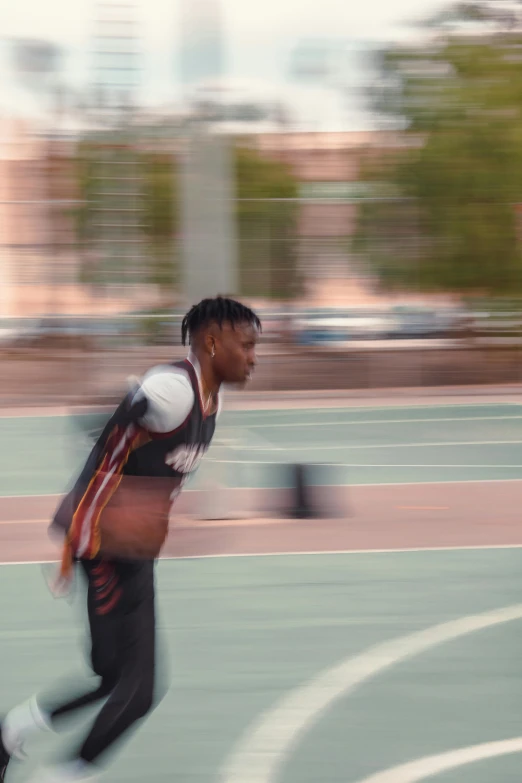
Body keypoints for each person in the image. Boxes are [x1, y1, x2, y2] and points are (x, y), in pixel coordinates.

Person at [0, 296, 260, 783]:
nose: (253, 357)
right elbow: (98, 434)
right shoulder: (170, 392)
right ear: (211, 342)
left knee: (114, 680)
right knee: (134, 690)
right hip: (101, 547)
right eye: (245, 345)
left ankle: (12, 730)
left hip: (135, 552)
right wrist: (81, 529)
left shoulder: (213, 397)